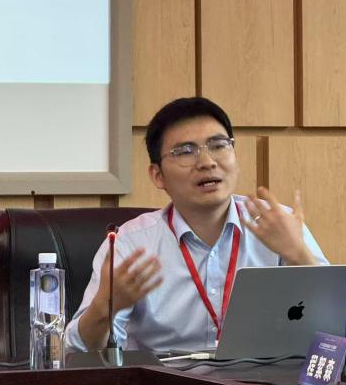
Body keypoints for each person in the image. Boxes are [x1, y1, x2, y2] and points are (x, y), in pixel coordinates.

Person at [65, 97, 328, 353]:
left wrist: (299, 256)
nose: (207, 162)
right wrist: (104, 308)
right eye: (185, 152)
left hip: (267, 379)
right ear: (158, 176)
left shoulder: (279, 224)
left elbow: (335, 331)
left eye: (218, 145)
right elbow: (78, 352)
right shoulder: (130, 243)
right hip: (164, 381)